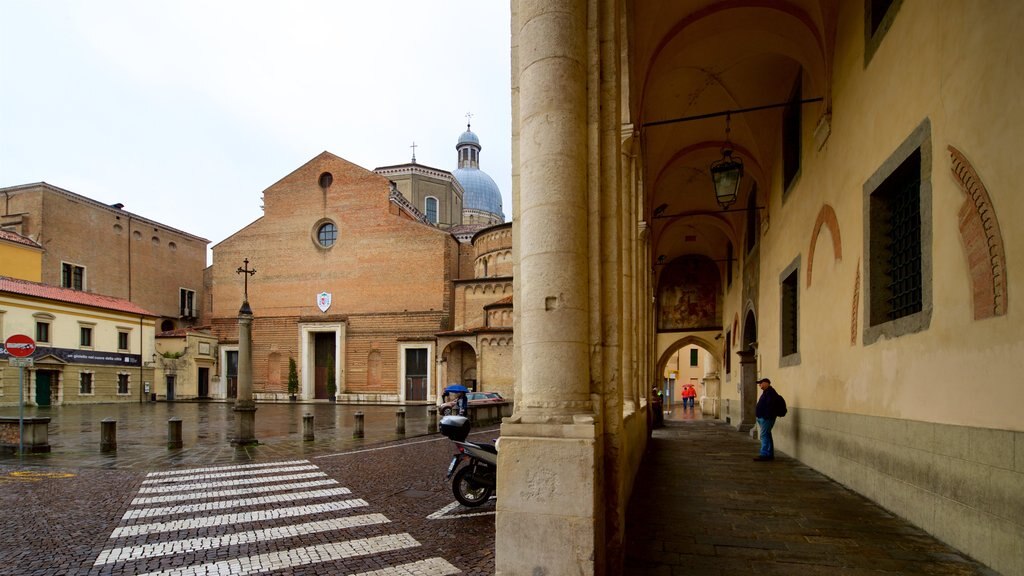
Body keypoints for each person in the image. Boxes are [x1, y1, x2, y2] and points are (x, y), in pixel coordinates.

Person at [754, 377, 781, 461]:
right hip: (764, 418)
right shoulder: (766, 392)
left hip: (766, 418)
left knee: (763, 435)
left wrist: (765, 416)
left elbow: (770, 406)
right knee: (767, 435)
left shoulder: (770, 393)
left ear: (766, 383)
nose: (759, 385)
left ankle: (764, 454)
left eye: (761, 383)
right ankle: (769, 454)